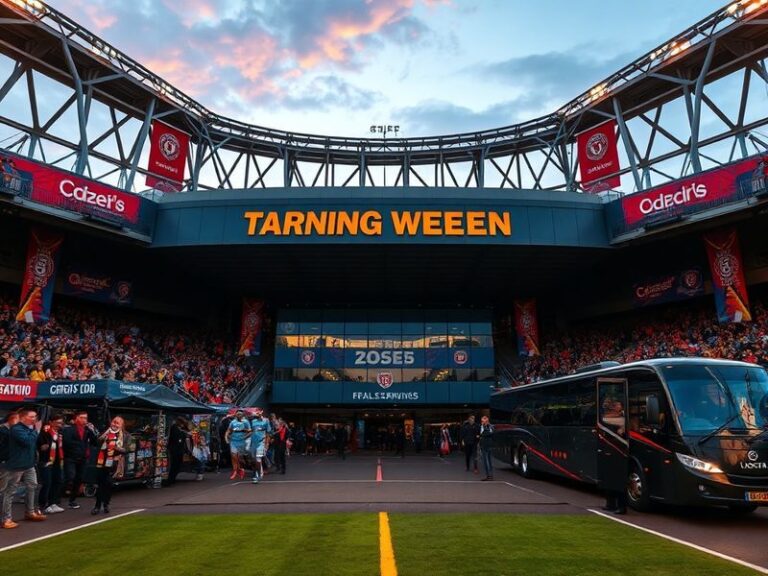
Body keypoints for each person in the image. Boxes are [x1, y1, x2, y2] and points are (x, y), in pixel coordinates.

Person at [2, 408, 46, 528]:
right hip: (15, 465)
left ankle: (30, 511)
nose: (34, 419)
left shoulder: (28, 429)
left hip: (29, 464)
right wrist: (36, 430)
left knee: (33, 486)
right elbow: (28, 441)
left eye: (35, 417)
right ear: (22, 418)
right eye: (31, 417)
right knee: (9, 491)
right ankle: (6, 519)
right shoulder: (17, 429)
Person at [61, 410, 98, 510]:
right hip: (71, 457)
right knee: (70, 476)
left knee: (79, 478)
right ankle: (59, 494)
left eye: (85, 418)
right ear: (76, 418)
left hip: (83, 458)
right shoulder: (69, 429)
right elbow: (67, 442)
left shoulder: (87, 430)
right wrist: (78, 448)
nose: (84, 420)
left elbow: (95, 442)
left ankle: (72, 500)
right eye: (82, 418)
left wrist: (92, 430)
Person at [92, 416, 127, 515]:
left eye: (117, 423)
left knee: (108, 484)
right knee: (100, 484)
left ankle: (106, 504)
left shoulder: (124, 435)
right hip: (101, 461)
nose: (115, 424)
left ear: (121, 425)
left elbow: (126, 449)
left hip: (113, 462)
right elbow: (96, 441)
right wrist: (105, 435)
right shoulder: (105, 432)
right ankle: (97, 506)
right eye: (113, 422)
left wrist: (114, 447)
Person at [37, 413, 66, 514]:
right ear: (51, 422)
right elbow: (39, 444)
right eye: (57, 423)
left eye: (61, 423)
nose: (59, 425)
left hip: (58, 461)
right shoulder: (45, 432)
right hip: (46, 461)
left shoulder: (61, 432)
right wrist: (43, 447)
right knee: (47, 483)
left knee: (58, 481)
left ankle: (53, 503)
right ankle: (43, 504)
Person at [0, 412, 20, 524]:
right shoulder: (4, 431)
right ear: (11, 419)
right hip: (4, 463)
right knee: (4, 490)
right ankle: (5, 518)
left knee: (6, 490)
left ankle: (5, 517)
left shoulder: (9, 431)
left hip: (9, 462)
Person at [224, 410, 251, 480]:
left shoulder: (245, 422)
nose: (239, 415)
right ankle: (235, 471)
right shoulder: (233, 422)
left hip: (241, 442)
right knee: (233, 456)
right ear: (235, 415)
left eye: (240, 414)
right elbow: (228, 431)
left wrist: (245, 437)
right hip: (233, 441)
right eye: (237, 414)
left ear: (242, 415)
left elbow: (250, 431)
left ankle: (240, 469)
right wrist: (226, 438)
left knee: (239, 458)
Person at [249, 408, 272, 483]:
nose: (257, 413)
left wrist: (267, 443)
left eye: (259, 412)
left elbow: (268, 433)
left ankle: (258, 476)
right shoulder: (253, 421)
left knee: (258, 459)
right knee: (253, 460)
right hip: (253, 443)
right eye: (256, 412)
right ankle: (258, 473)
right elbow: (251, 432)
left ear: (262, 412)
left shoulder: (266, 421)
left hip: (261, 442)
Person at [167, 417, 190, 485]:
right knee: (174, 465)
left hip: (179, 449)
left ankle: (172, 479)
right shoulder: (174, 428)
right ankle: (170, 480)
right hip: (175, 450)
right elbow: (177, 438)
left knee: (177, 465)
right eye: (183, 423)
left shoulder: (181, 429)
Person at [478, 415, 494, 481]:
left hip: (486, 445)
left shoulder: (488, 426)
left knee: (486, 461)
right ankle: (490, 475)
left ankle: (489, 475)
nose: (482, 422)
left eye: (483, 421)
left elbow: (487, 434)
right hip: (486, 445)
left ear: (486, 421)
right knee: (489, 461)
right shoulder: (488, 426)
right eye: (482, 421)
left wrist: (481, 435)